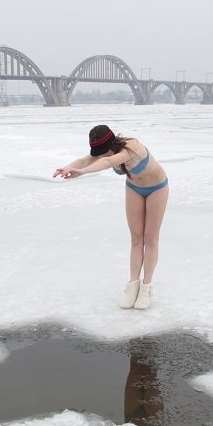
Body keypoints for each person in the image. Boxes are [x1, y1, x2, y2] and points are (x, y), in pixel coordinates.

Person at [53, 125, 169, 309]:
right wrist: (69, 167)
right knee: (136, 238)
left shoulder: (132, 147)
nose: (101, 155)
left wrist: (82, 173)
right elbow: (85, 160)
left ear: (112, 143)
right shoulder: (105, 152)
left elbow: (107, 163)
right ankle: (132, 287)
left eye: (103, 151)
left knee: (150, 239)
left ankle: (146, 288)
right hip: (134, 188)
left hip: (157, 188)